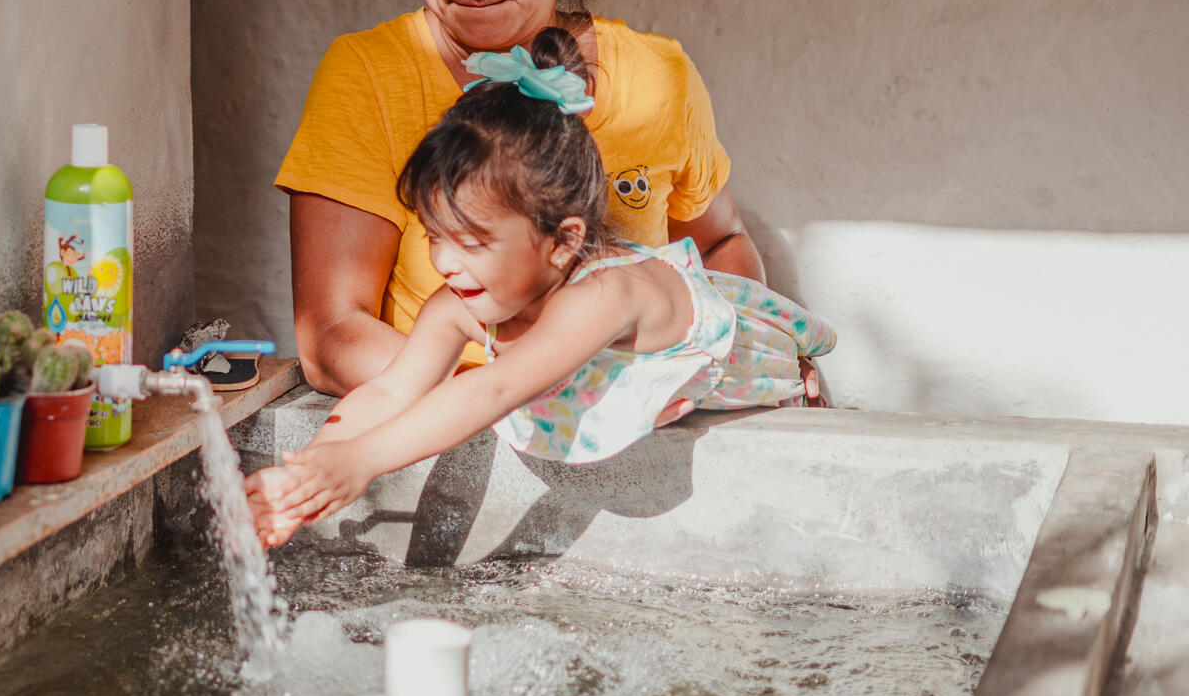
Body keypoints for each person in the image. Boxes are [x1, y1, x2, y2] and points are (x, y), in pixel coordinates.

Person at [279, 0, 772, 397]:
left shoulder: (658, 79)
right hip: (459, 446)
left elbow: (720, 247)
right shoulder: (370, 76)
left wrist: (740, 358)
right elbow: (332, 337)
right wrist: (540, 401)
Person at [247, 30, 833, 549]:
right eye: (432, 236)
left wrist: (363, 462)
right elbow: (391, 392)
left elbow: (495, 389)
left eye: (472, 242)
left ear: (561, 241)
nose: (445, 264)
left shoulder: (605, 296)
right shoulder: (461, 301)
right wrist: (317, 463)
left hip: (760, 375)